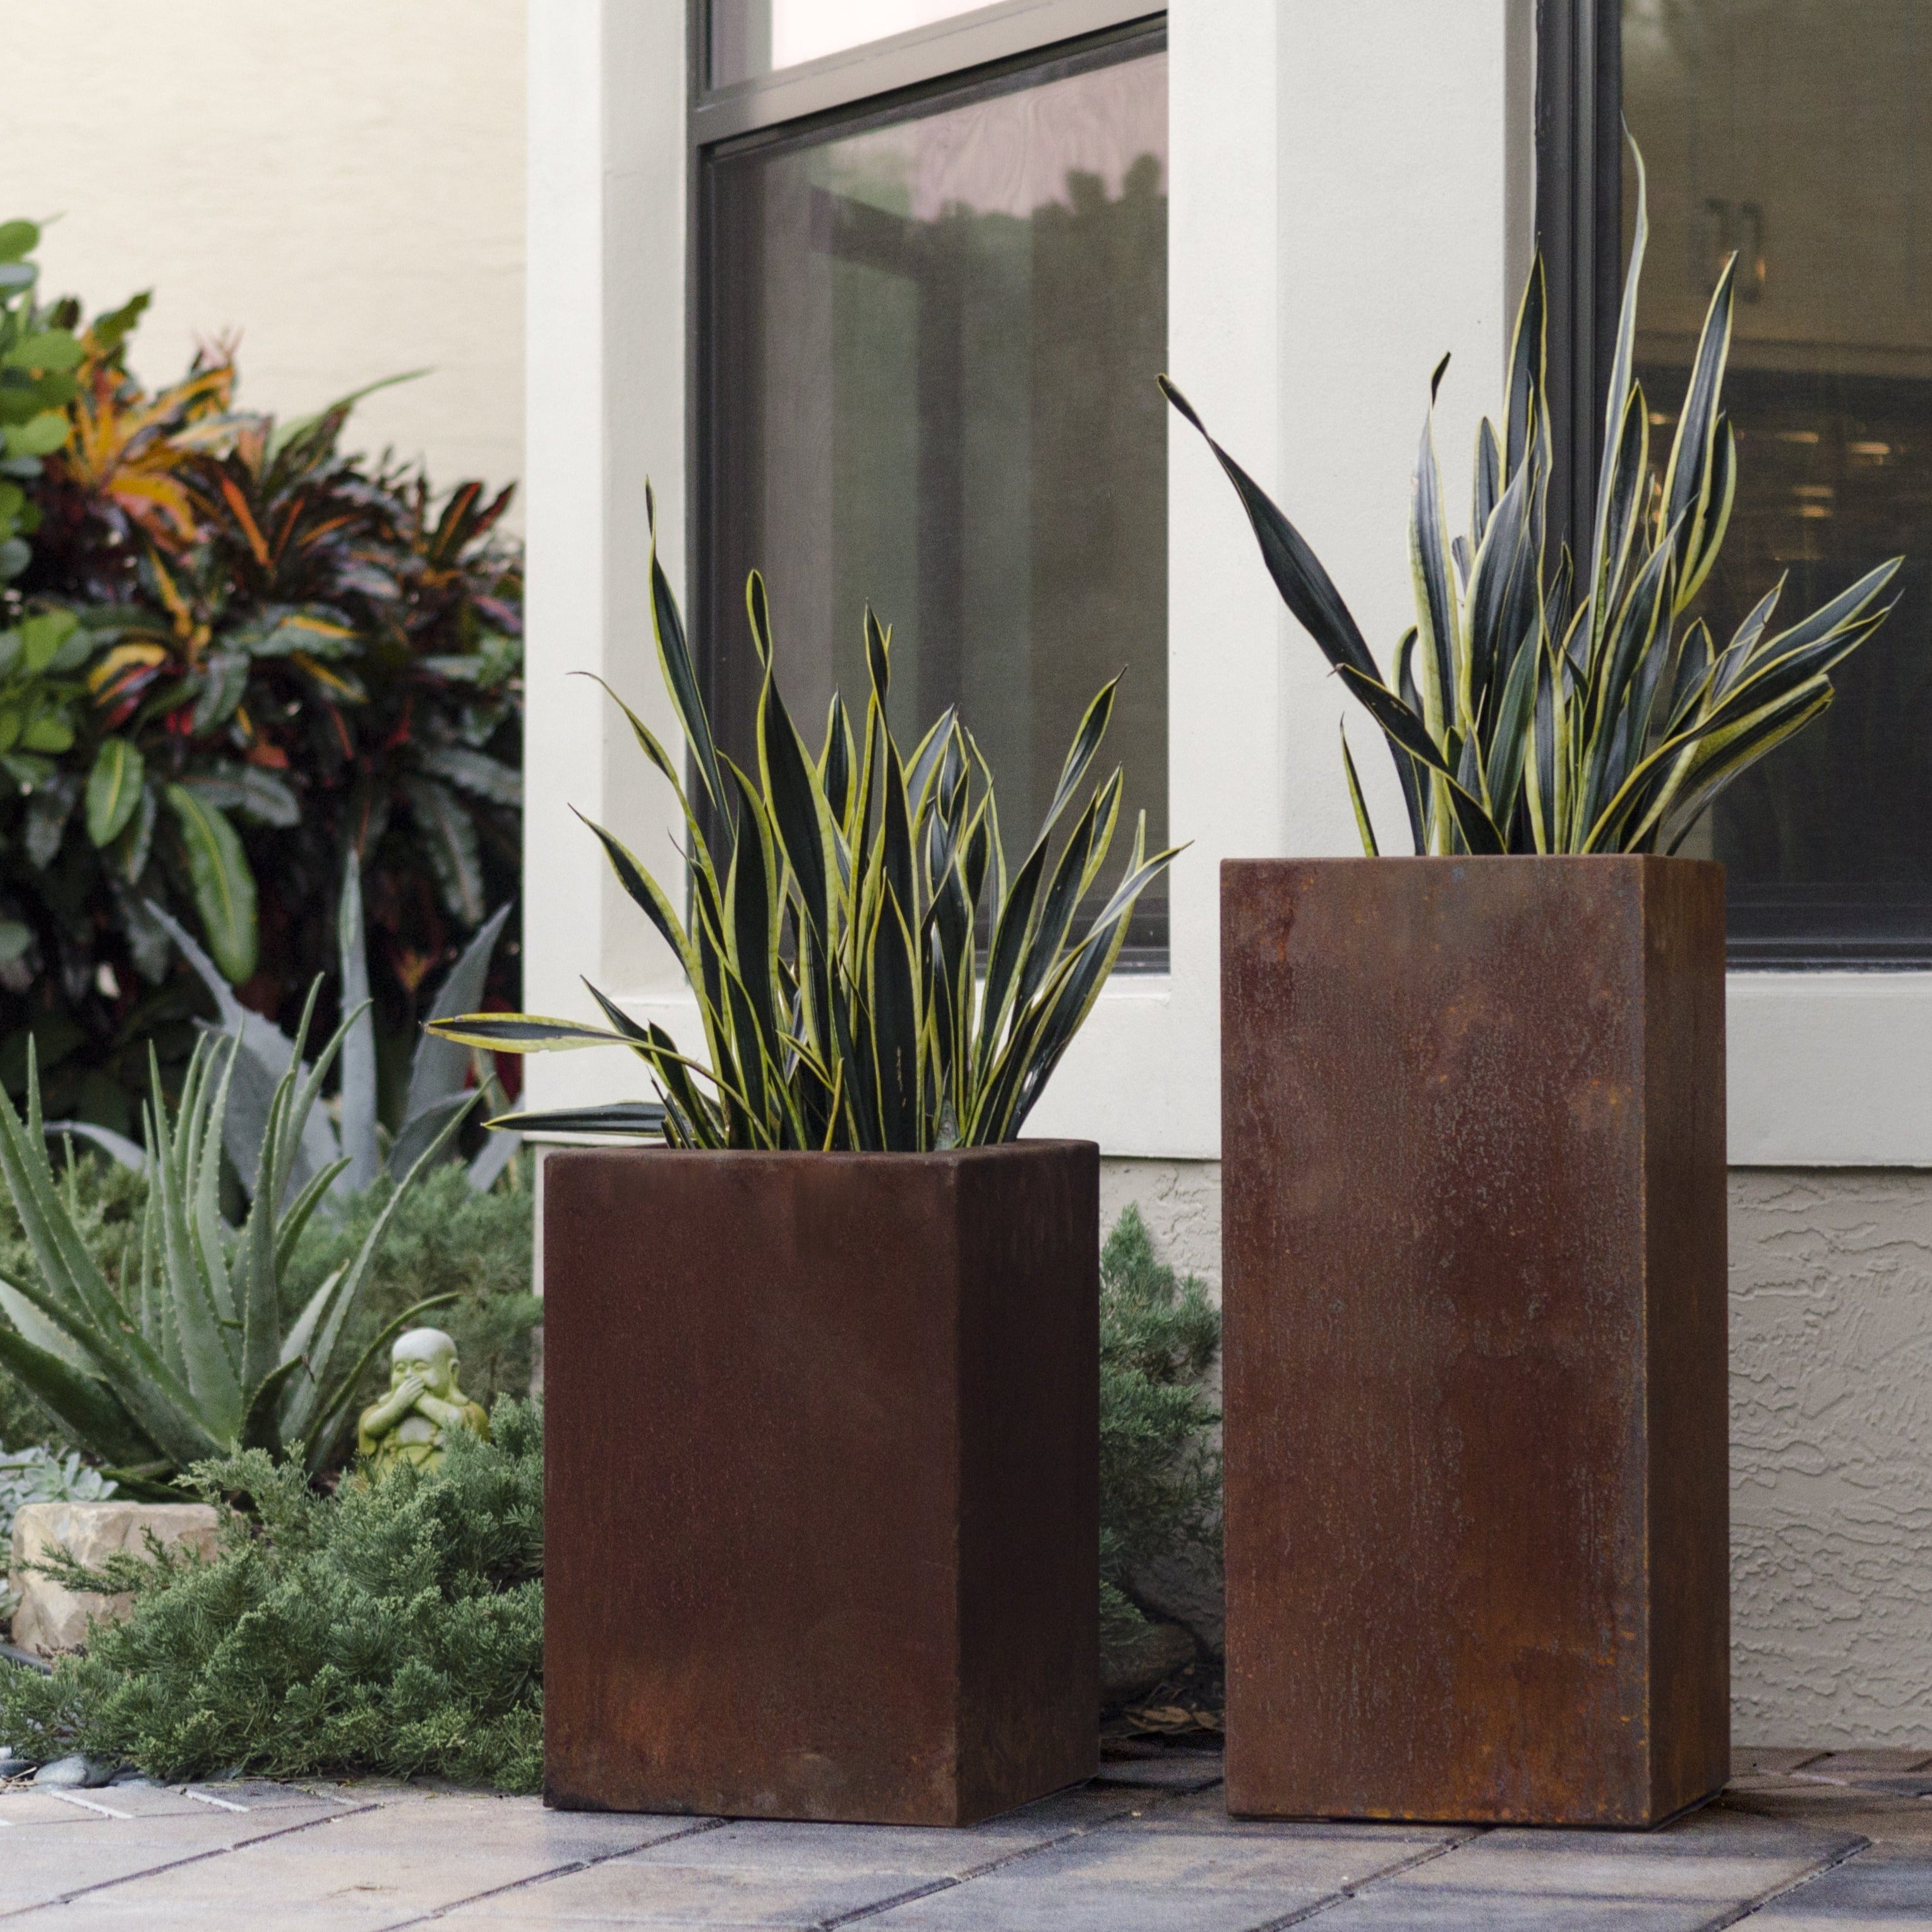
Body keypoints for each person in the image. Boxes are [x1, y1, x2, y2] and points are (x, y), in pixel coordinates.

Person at [356, 1328, 489, 1475]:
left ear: (452, 1371)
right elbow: (369, 1426)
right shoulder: (386, 1412)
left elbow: (457, 1421)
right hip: (386, 1488)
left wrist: (422, 1400)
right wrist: (397, 1405)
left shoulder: (468, 1412)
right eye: (400, 1369)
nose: (409, 1376)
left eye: (420, 1367)